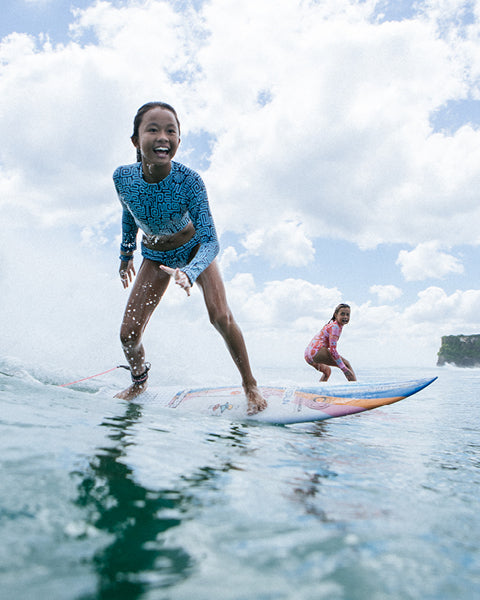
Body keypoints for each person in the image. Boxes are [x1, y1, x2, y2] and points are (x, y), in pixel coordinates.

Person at [113, 101, 267, 415]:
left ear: (179, 142)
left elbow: (211, 240)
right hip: (155, 256)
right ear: (135, 140)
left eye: (171, 131)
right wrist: (126, 254)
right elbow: (128, 215)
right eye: (153, 129)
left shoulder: (190, 181)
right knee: (128, 333)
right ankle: (140, 380)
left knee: (220, 317)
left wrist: (192, 271)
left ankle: (250, 384)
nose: (163, 137)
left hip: (195, 248)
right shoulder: (122, 178)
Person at [304, 303, 356, 382]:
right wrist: (344, 369)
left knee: (327, 371)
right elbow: (333, 350)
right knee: (346, 364)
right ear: (336, 314)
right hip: (316, 351)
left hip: (308, 355)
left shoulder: (333, 325)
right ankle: (355, 388)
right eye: (342, 314)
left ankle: (318, 390)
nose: (345, 317)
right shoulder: (335, 327)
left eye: (348, 314)